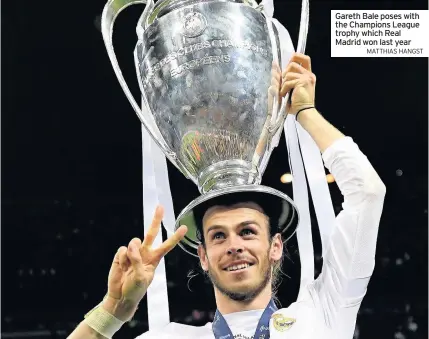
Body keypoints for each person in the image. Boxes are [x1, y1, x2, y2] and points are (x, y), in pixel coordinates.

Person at [67, 53, 386, 339]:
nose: (234, 246)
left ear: (275, 246)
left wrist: (305, 112)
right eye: (218, 236)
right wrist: (112, 311)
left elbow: (367, 194)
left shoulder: (323, 314)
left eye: (247, 231)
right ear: (203, 257)